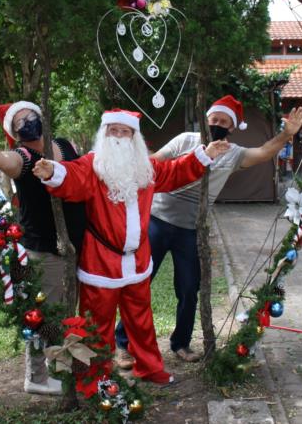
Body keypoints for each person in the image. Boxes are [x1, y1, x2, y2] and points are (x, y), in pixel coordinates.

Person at [31, 109, 229, 385]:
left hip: (138, 260)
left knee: (141, 320)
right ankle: (95, 376)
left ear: (135, 136)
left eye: (125, 132)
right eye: (114, 131)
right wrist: (52, 171)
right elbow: (74, 178)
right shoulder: (93, 165)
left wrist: (204, 154)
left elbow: (175, 172)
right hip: (101, 261)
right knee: (96, 324)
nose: (120, 137)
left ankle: (149, 367)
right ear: (104, 134)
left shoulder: (145, 167)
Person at [114, 95, 302, 365]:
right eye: (213, 119)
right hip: (157, 221)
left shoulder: (234, 154)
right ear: (205, 120)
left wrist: (286, 134)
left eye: (222, 121)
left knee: (188, 288)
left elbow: (265, 152)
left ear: (231, 127)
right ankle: (123, 344)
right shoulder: (185, 140)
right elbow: (155, 162)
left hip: (191, 229)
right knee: (139, 284)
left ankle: (181, 343)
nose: (216, 124)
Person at [0, 100, 85, 396]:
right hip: (45, 250)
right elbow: (4, 159)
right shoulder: (22, 156)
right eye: (19, 122)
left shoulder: (65, 144)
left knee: (66, 312)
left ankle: (62, 368)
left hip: (75, 246)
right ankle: (36, 376)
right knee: (45, 315)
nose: (27, 122)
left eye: (31, 116)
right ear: (15, 132)